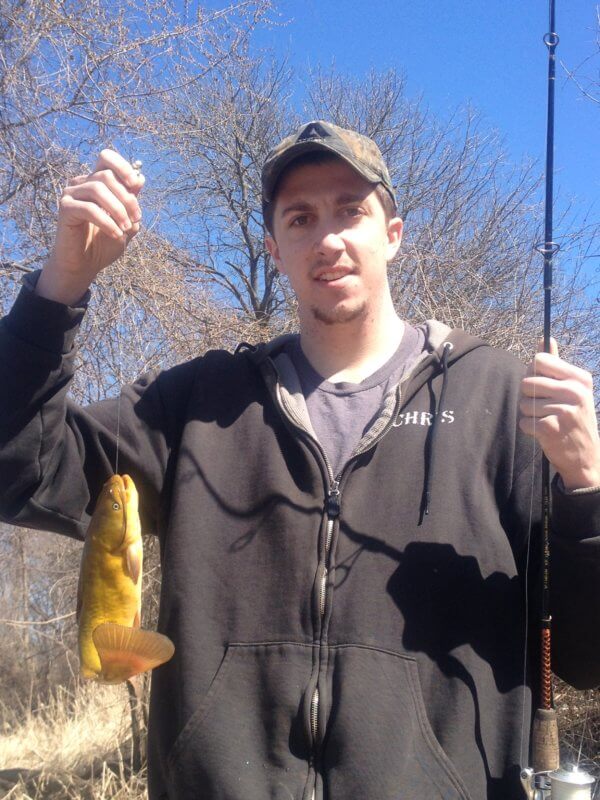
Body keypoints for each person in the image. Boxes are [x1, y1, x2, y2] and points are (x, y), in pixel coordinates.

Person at [1, 120, 599, 800]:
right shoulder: (195, 403)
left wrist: (586, 487)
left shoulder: (502, 398)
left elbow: (588, 656)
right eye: (301, 218)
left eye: (351, 211)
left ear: (393, 236)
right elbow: (18, 468)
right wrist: (61, 284)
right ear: (274, 249)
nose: (329, 238)